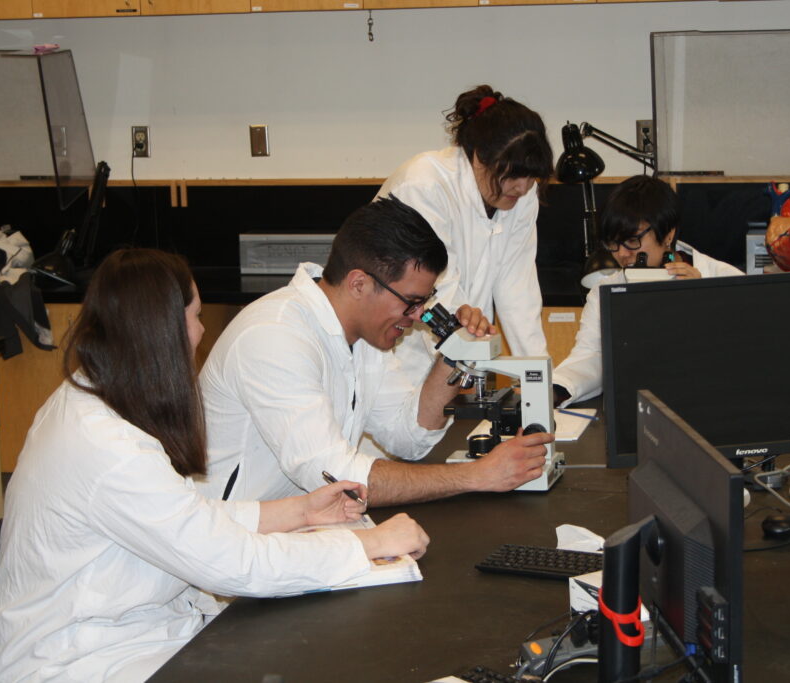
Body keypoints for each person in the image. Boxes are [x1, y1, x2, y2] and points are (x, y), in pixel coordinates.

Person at [0, 248, 429, 682]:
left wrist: (301, 511)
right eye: (196, 317)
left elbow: (187, 519)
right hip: (81, 662)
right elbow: (232, 562)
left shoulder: (95, 397)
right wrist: (365, 546)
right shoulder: (105, 445)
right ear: (163, 331)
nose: (201, 332)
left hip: (139, 633)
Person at [199, 197, 553, 506]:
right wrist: (475, 476)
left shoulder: (366, 338)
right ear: (359, 284)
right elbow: (333, 476)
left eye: (425, 303)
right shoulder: (275, 337)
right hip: (234, 547)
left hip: (301, 527)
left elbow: (408, 438)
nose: (417, 317)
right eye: (411, 302)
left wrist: (454, 354)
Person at [375, 85, 554, 388]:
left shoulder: (522, 196)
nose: (523, 188)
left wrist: (539, 378)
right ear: (480, 156)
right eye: (512, 175)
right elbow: (433, 285)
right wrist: (467, 328)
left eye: (531, 176)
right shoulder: (424, 184)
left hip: (458, 364)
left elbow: (518, 287)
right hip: (398, 352)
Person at [552, 175, 744, 406]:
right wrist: (556, 389)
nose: (622, 253)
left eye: (632, 241)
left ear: (668, 234)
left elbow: (742, 353)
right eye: (612, 243)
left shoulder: (723, 278)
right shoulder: (605, 290)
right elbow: (592, 355)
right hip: (640, 409)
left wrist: (703, 299)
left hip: (713, 405)